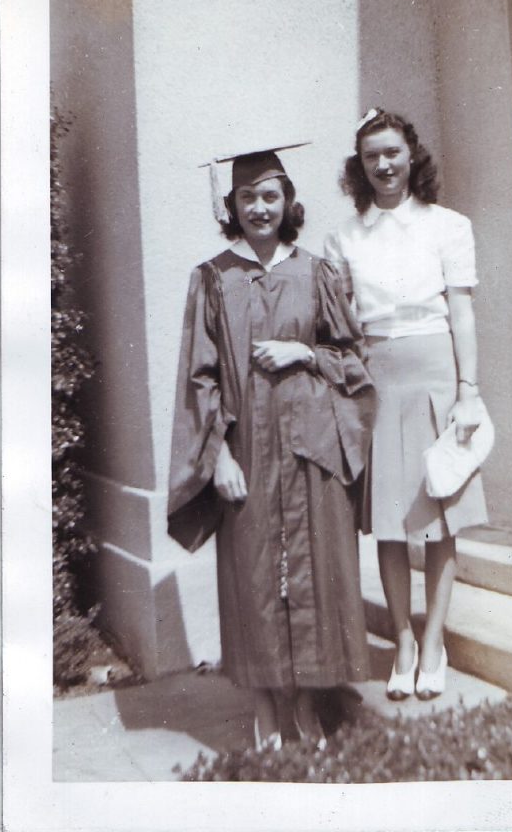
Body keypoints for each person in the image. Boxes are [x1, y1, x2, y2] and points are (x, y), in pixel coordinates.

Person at [167, 145, 375, 751]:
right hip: (247, 454)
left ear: (288, 202)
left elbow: (353, 360)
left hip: (311, 450)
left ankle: (307, 708)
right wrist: (218, 458)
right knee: (255, 579)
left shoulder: (316, 272)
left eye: (270, 196)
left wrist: (304, 352)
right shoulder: (212, 278)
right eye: (247, 197)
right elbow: (197, 378)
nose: (259, 207)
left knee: (315, 580)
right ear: (230, 205)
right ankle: (264, 708)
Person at [324, 108, 488, 701]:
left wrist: (468, 389)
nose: (384, 165)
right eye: (372, 157)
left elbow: (462, 312)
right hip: (378, 376)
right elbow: (340, 322)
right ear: (359, 167)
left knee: (441, 517)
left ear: (411, 155)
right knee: (392, 523)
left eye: (392, 152)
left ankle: (435, 640)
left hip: (438, 373)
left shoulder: (449, 225)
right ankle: (403, 641)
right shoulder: (343, 238)